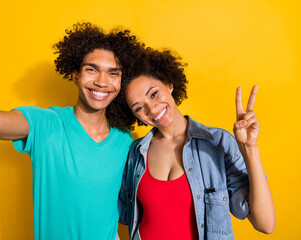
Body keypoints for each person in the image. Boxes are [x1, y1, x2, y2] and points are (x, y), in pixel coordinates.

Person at [0, 22, 145, 240]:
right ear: (74, 75)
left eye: (113, 73)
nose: (102, 82)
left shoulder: (124, 138)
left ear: (121, 81)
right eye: (92, 69)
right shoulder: (46, 124)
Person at [117, 48, 276, 240]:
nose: (151, 108)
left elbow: (265, 224)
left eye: (153, 94)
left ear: (169, 84)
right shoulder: (136, 152)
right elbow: (123, 215)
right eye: (139, 108)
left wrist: (250, 148)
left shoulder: (217, 143)